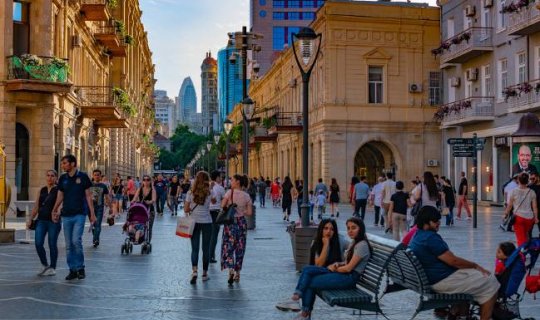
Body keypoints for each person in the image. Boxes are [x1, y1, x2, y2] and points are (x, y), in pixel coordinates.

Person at [409, 206, 500, 320]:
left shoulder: (417, 235)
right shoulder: (430, 238)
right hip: (441, 281)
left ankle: (461, 315)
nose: (438, 223)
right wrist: (475, 265)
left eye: (439, 220)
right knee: (490, 281)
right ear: (426, 222)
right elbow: (453, 261)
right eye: (435, 221)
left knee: (473, 276)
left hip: (431, 279)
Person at [275, 217, 371, 319]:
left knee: (309, 281)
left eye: (354, 228)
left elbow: (349, 268)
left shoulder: (361, 245)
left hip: (349, 278)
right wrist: (339, 264)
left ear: (361, 228)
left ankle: (300, 305)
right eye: (348, 228)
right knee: (307, 269)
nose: (350, 231)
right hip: (342, 274)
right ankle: (298, 302)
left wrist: (334, 268)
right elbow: (347, 263)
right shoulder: (354, 243)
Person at [51, 155, 96, 281]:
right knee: (69, 245)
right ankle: (72, 270)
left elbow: (88, 196)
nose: (63, 165)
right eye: (62, 163)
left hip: (79, 214)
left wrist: (92, 214)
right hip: (66, 215)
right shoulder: (63, 178)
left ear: (73, 164)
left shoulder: (83, 177)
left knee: (76, 241)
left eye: (65, 163)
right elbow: (60, 196)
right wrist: (54, 209)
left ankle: (81, 268)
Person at [221, 174, 253, 285]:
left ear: (238, 182)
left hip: (230, 223)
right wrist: (241, 211)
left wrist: (230, 205)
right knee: (240, 247)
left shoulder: (229, 193)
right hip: (241, 223)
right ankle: (237, 272)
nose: (231, 182)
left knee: (228, 246)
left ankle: (230, 269)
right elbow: (249, 213)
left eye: (232, 180)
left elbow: (222, 205)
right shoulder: (246, 196)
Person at [28, 169, 60, 276]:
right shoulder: (42, 190)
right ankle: (44, 264)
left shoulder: (59, 190)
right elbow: (36, 206)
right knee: (38, 243)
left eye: (52, 176)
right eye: (48, 175)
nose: (50, 178)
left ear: (56, 178)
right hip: (41, 220)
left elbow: (61, 204)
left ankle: (53, 267)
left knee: (52, 244)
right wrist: (30, 219)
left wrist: (58, 213)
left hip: (53, 222)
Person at [184, 171, 214, 284]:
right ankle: (205, 274)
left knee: (194, 248)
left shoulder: (190, 193)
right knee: (205, 249)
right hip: (207, 222)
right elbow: (214, 201)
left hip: (193, 222)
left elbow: (186, 209)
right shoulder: (209, 193)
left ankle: (195, 271)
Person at [504, 172, 539, 246]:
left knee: (521, 239)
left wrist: (505, 214)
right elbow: (535, 207)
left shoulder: (514, 191)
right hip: (529, 218)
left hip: (518, 217)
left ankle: (521, 255)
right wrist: (536, 218)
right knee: (525, 236)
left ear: (518, 181)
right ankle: (526, 250)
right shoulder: (532, 192)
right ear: (528, 181)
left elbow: (510, 205)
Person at [133, 175, 157, 242]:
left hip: (150, 210)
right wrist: (133, 201)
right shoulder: (140, 189)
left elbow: (154, 199)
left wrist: (150, 202)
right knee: (139, 224)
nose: (146, 181)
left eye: (148, 180)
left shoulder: (153, 190)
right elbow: (135, 197)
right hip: (141, 210)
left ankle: (148, 241)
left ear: (150, 181)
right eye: (144, 180)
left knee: (149, 227)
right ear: (142, 181)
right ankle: (138, 237)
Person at [90, 169, 110, 248]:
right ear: (93, 175)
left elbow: (107, 197)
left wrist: (110, 207)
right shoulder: (89, 185)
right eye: (95, 175)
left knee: (97, 224)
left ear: (100, 176)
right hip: (91, 208)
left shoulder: (103, 186)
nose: (97, 176)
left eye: (98, 175)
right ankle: (95, 238)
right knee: (93, 224)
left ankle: (96, 239)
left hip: (100, 208)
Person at [209, 170, 225, 264]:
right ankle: (211, 255)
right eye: (220, 177)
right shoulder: (220, 188)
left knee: (208, 235)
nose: (221, 178)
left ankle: (207, 255)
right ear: (217, 177)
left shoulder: (207, 187)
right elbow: (224, 201)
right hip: (216, 213)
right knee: (214, 235)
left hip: (206, 213)